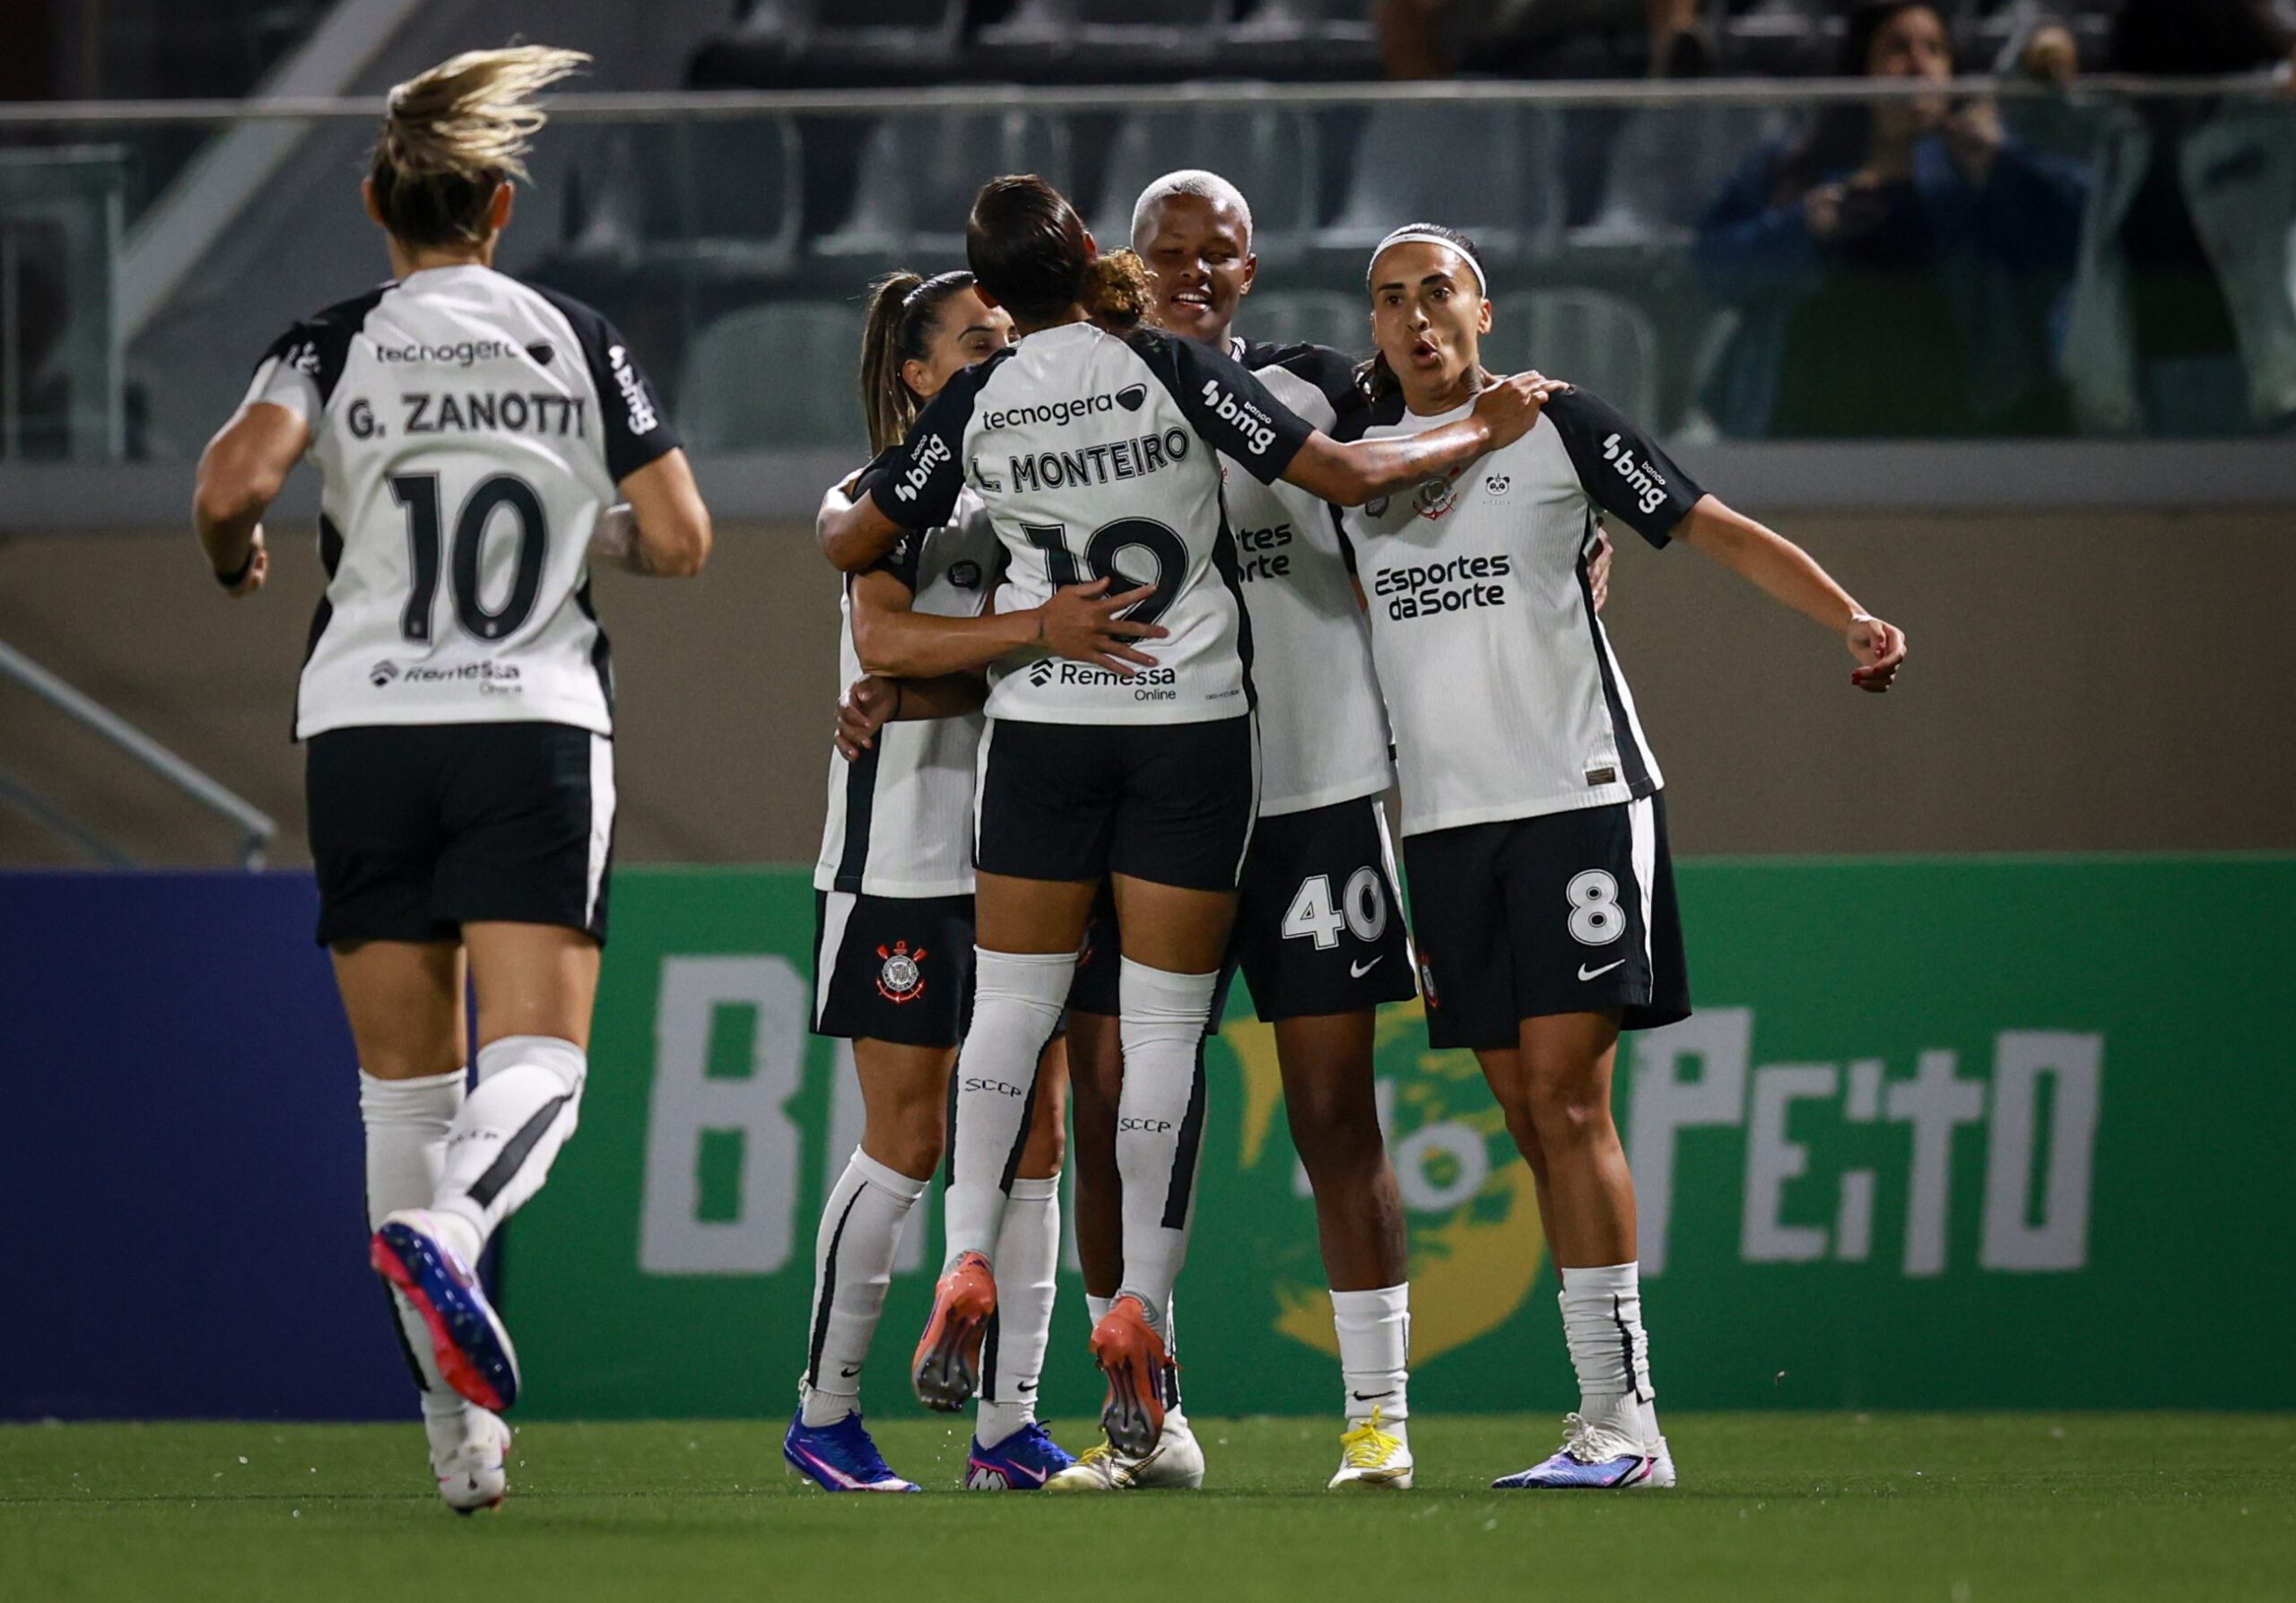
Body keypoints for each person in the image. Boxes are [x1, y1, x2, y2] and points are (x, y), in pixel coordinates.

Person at [816, 173, 1551, 1458]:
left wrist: (1550, 518)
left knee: (1121, 1047)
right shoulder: (1156, 369)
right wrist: (1497, 433)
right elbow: (1353, 470)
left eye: (1221, 252)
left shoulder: (1025, 393)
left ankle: (988, 1264)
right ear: (1110, 259)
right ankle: (1144, 1364)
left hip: (1175, 762)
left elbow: (854, 532)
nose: (1195, 270)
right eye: (1169, 249)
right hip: (1188, 748)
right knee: (1134, 1067)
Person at [189, 48, 710, 1513]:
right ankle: (464, 1229)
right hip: (526, 723)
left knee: (401, 1098)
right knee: (539, 1062)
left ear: (374, 202)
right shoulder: (570, 333)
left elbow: (231, 487)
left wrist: (234, 560)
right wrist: (572, 518)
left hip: (362, 727)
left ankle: (458, 1443)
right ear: (500, 206)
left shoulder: (331, 339)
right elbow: (682, 537)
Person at [1335, 222, 1906, 1489]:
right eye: (1389, 299)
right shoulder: (1355, 467)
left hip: (1577, 796)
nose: (1416, 316)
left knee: (1568, 1098)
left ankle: (1624, 1419)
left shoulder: (1558, 424)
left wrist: (1847, 614)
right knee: (1526, 1115)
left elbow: (1711, 525)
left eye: (1438, 292)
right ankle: (1608, 1413)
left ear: (1484, 310)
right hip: (1441, 824)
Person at [794, 267, 1167, 1494]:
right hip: (900, 854)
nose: (1001, 357)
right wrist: (1031, 634)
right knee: (908, 1137)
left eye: (1010, 336)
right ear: (918, 376)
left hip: (1026, 848)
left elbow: (970, 658)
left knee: (1036, 1137)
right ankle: (825, 1412)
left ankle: (1008, 1429)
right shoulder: (887, 499)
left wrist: (971, 667)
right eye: (974, 342)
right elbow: (884, 635)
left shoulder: (1037, 481)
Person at [1694, 0, 2086, 439]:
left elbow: (2079, 244)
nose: (1919, 65)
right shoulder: (1796, 168)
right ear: (1862, 69)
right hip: (1809, 419)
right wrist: (1799, 229)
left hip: (1958, 423)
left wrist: (2003, 166)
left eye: (1935, 50)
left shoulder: (1982, 170)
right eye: (1898, 48)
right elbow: (1711, 270)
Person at [2058, 0, 2296, 435]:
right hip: (2143, 374)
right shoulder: (2120, 132)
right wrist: (2036, 53)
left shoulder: (2271, 120)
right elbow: (2028, 110)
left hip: (2265, 373)